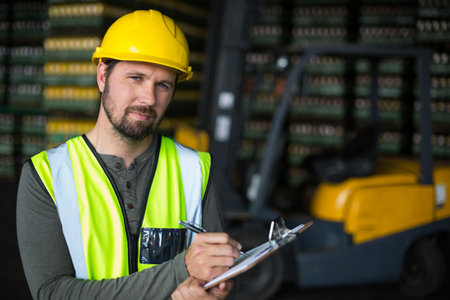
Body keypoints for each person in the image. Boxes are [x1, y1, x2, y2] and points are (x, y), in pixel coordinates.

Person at [16, 9, 241, 300]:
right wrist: (179, 271)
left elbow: (216, 277)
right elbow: (53, 293)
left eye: (163, 85)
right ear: (102, 76)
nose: (149, 98)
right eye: (136, 77)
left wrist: (217, 290)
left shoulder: (196, 169)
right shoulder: (46, 175)